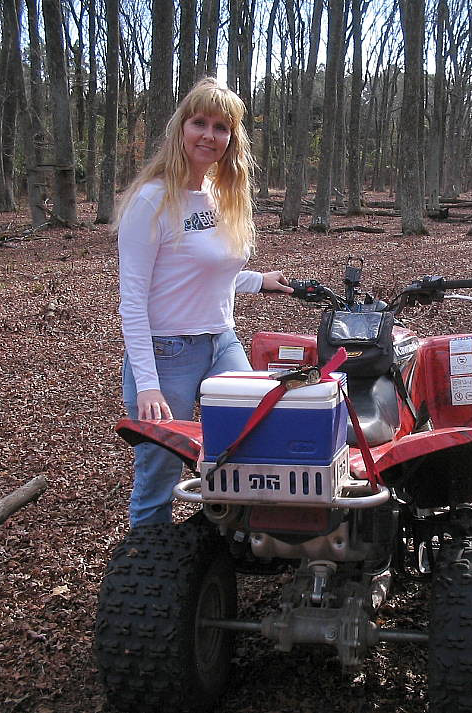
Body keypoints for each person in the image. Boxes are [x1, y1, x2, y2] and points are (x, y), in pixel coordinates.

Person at [116, 78, 293, 527]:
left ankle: (226, 543)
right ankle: (148, 564)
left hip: (222, 341)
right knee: (159, 470)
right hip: (165, 351)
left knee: (251, 441)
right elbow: (132, 298)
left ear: (232, 138)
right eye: (199, 122)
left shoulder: (221, 194)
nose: (209, 135)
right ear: (181, 128)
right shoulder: (153, 199)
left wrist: (258, 281)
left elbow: (208, 267)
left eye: (221, 126)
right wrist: (148, 382)